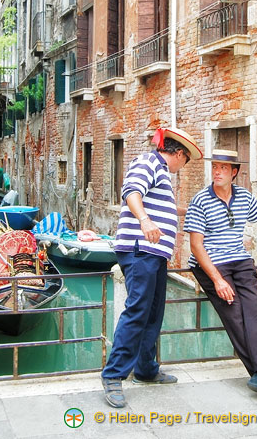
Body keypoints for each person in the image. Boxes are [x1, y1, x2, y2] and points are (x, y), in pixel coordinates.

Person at [101, 127, 203, 408]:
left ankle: (146, 369)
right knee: (137, 311)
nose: (183, 167)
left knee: (153, 312)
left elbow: (159, 206)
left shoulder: (161, 174)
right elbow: (132, 191)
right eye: (185, 161)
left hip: (154, 254)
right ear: (179, 154)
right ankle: (113, 376)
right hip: (140, 249)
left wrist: (180, 211)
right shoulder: (148, 162)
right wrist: (145, 220)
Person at [184, 149, 257, 403]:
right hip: (209, 263)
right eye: (214, 167)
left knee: (253, 310)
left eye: (223, 168)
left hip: (240, 261)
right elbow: (196, 245)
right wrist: (218, 280)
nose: (217, 172)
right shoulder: (200, 200)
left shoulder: (244, 197)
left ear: (234, 172)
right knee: (234, 310)